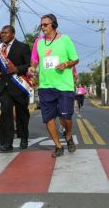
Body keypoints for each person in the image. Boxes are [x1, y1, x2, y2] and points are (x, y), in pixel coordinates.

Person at [28, 13, 79, 157]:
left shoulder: (65, 40)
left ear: (54, 25)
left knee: (66, 117)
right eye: (41, 25)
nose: (42, 27)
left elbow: (75, 59)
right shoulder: (38, 42)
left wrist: (66, 64)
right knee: (48, 118)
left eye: (46, 24)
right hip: (45, 86)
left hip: (64, 86)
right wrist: (32, 67)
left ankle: (68, 136)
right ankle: (58, 146)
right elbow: (34, 60)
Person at [0, 25, 31, 151]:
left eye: (5, 33)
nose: (2, 35)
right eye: (1, 33)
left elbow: (29, 65)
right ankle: (7, 143)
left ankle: (24, 137)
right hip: (4, 87)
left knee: (22, 114)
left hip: (19, 86)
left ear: (13, 34)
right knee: (5, 114)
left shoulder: (23, 47)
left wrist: (17, 69)